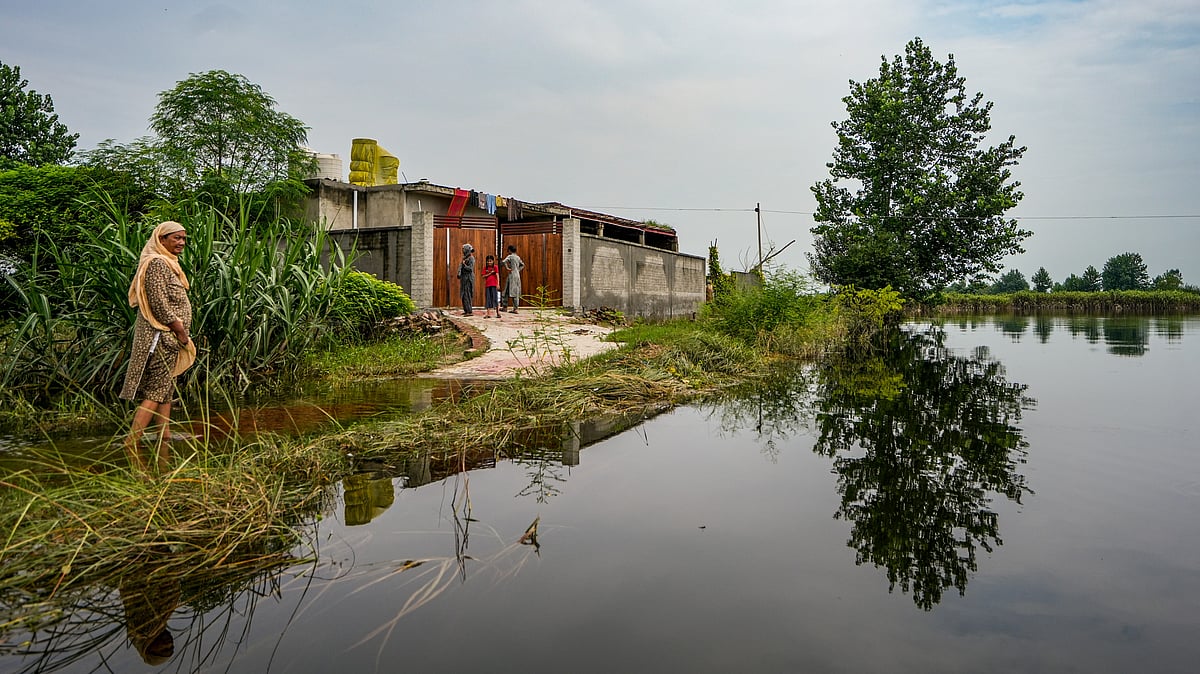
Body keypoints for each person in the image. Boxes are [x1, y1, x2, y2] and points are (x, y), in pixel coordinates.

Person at [120, 221, 197, 475]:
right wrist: (181, 332)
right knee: (155, 390)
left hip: (169, 337)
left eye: (184, 238)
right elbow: (159, 304)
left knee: (166, 386)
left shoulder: (168, 263)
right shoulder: (155, 264)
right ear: (161, 239)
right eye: (176, 238)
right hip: (161, 336)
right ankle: (132, 441)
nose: (181, 243)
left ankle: (164, 436)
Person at [501, 244, 524, 313]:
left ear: (510, 250)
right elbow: (522, 265)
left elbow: (504, 261)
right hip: (517, 275)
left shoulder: (510, 256)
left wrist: (507, 268)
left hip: (511, 275)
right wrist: (518, 270)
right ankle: (515, 308)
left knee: (506, 290)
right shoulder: (518, 257)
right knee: (515, 291)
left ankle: (505, 307)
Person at [457, 243, 476, 315]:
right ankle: (465, 310)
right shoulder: (464, 258)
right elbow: (460, 266)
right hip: (464, 278)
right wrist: (459, 273)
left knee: (467, 294)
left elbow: (470, 269)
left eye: (464, 249)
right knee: (463, 294)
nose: (463, 251)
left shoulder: (471, 258)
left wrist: (464, 265)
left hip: (468, 278)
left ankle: (469, 310)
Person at [482, 254, 502, 318]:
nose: (489, 262)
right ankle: (488, 313)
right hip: (488, 285)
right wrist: (490, 273)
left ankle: (498, 313)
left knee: (495, 298)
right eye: (488, 261)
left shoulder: (495, 267)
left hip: (494, 285)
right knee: (488, 299)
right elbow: (483, 276)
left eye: (490, 261)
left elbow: (497, 275)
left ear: (493, 261)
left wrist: (498, 284)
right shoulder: (485, 268)